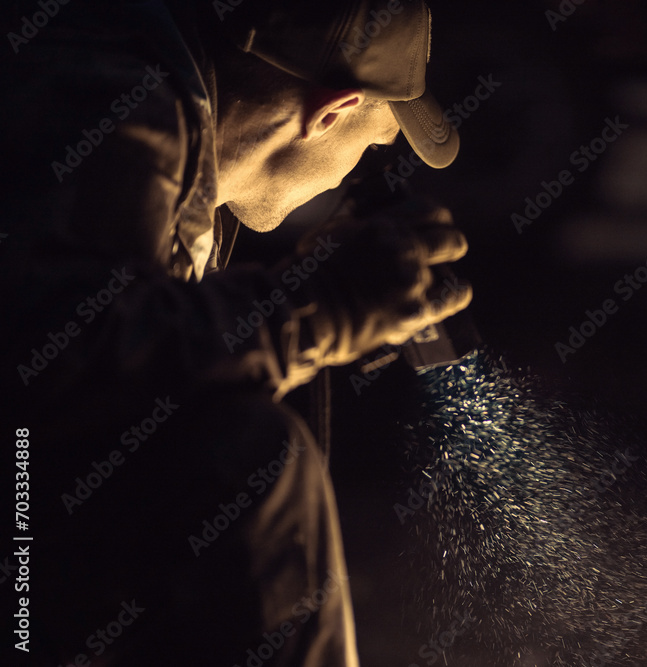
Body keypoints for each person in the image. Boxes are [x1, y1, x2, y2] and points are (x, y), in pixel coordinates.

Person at [0, 0, 467, 664]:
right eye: (371, 147)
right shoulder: (116, 98)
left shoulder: (137, 95)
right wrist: (322, 307)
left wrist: (321, 313)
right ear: (328, 111)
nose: (347, 180)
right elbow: (50, 362)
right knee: (245, 454)